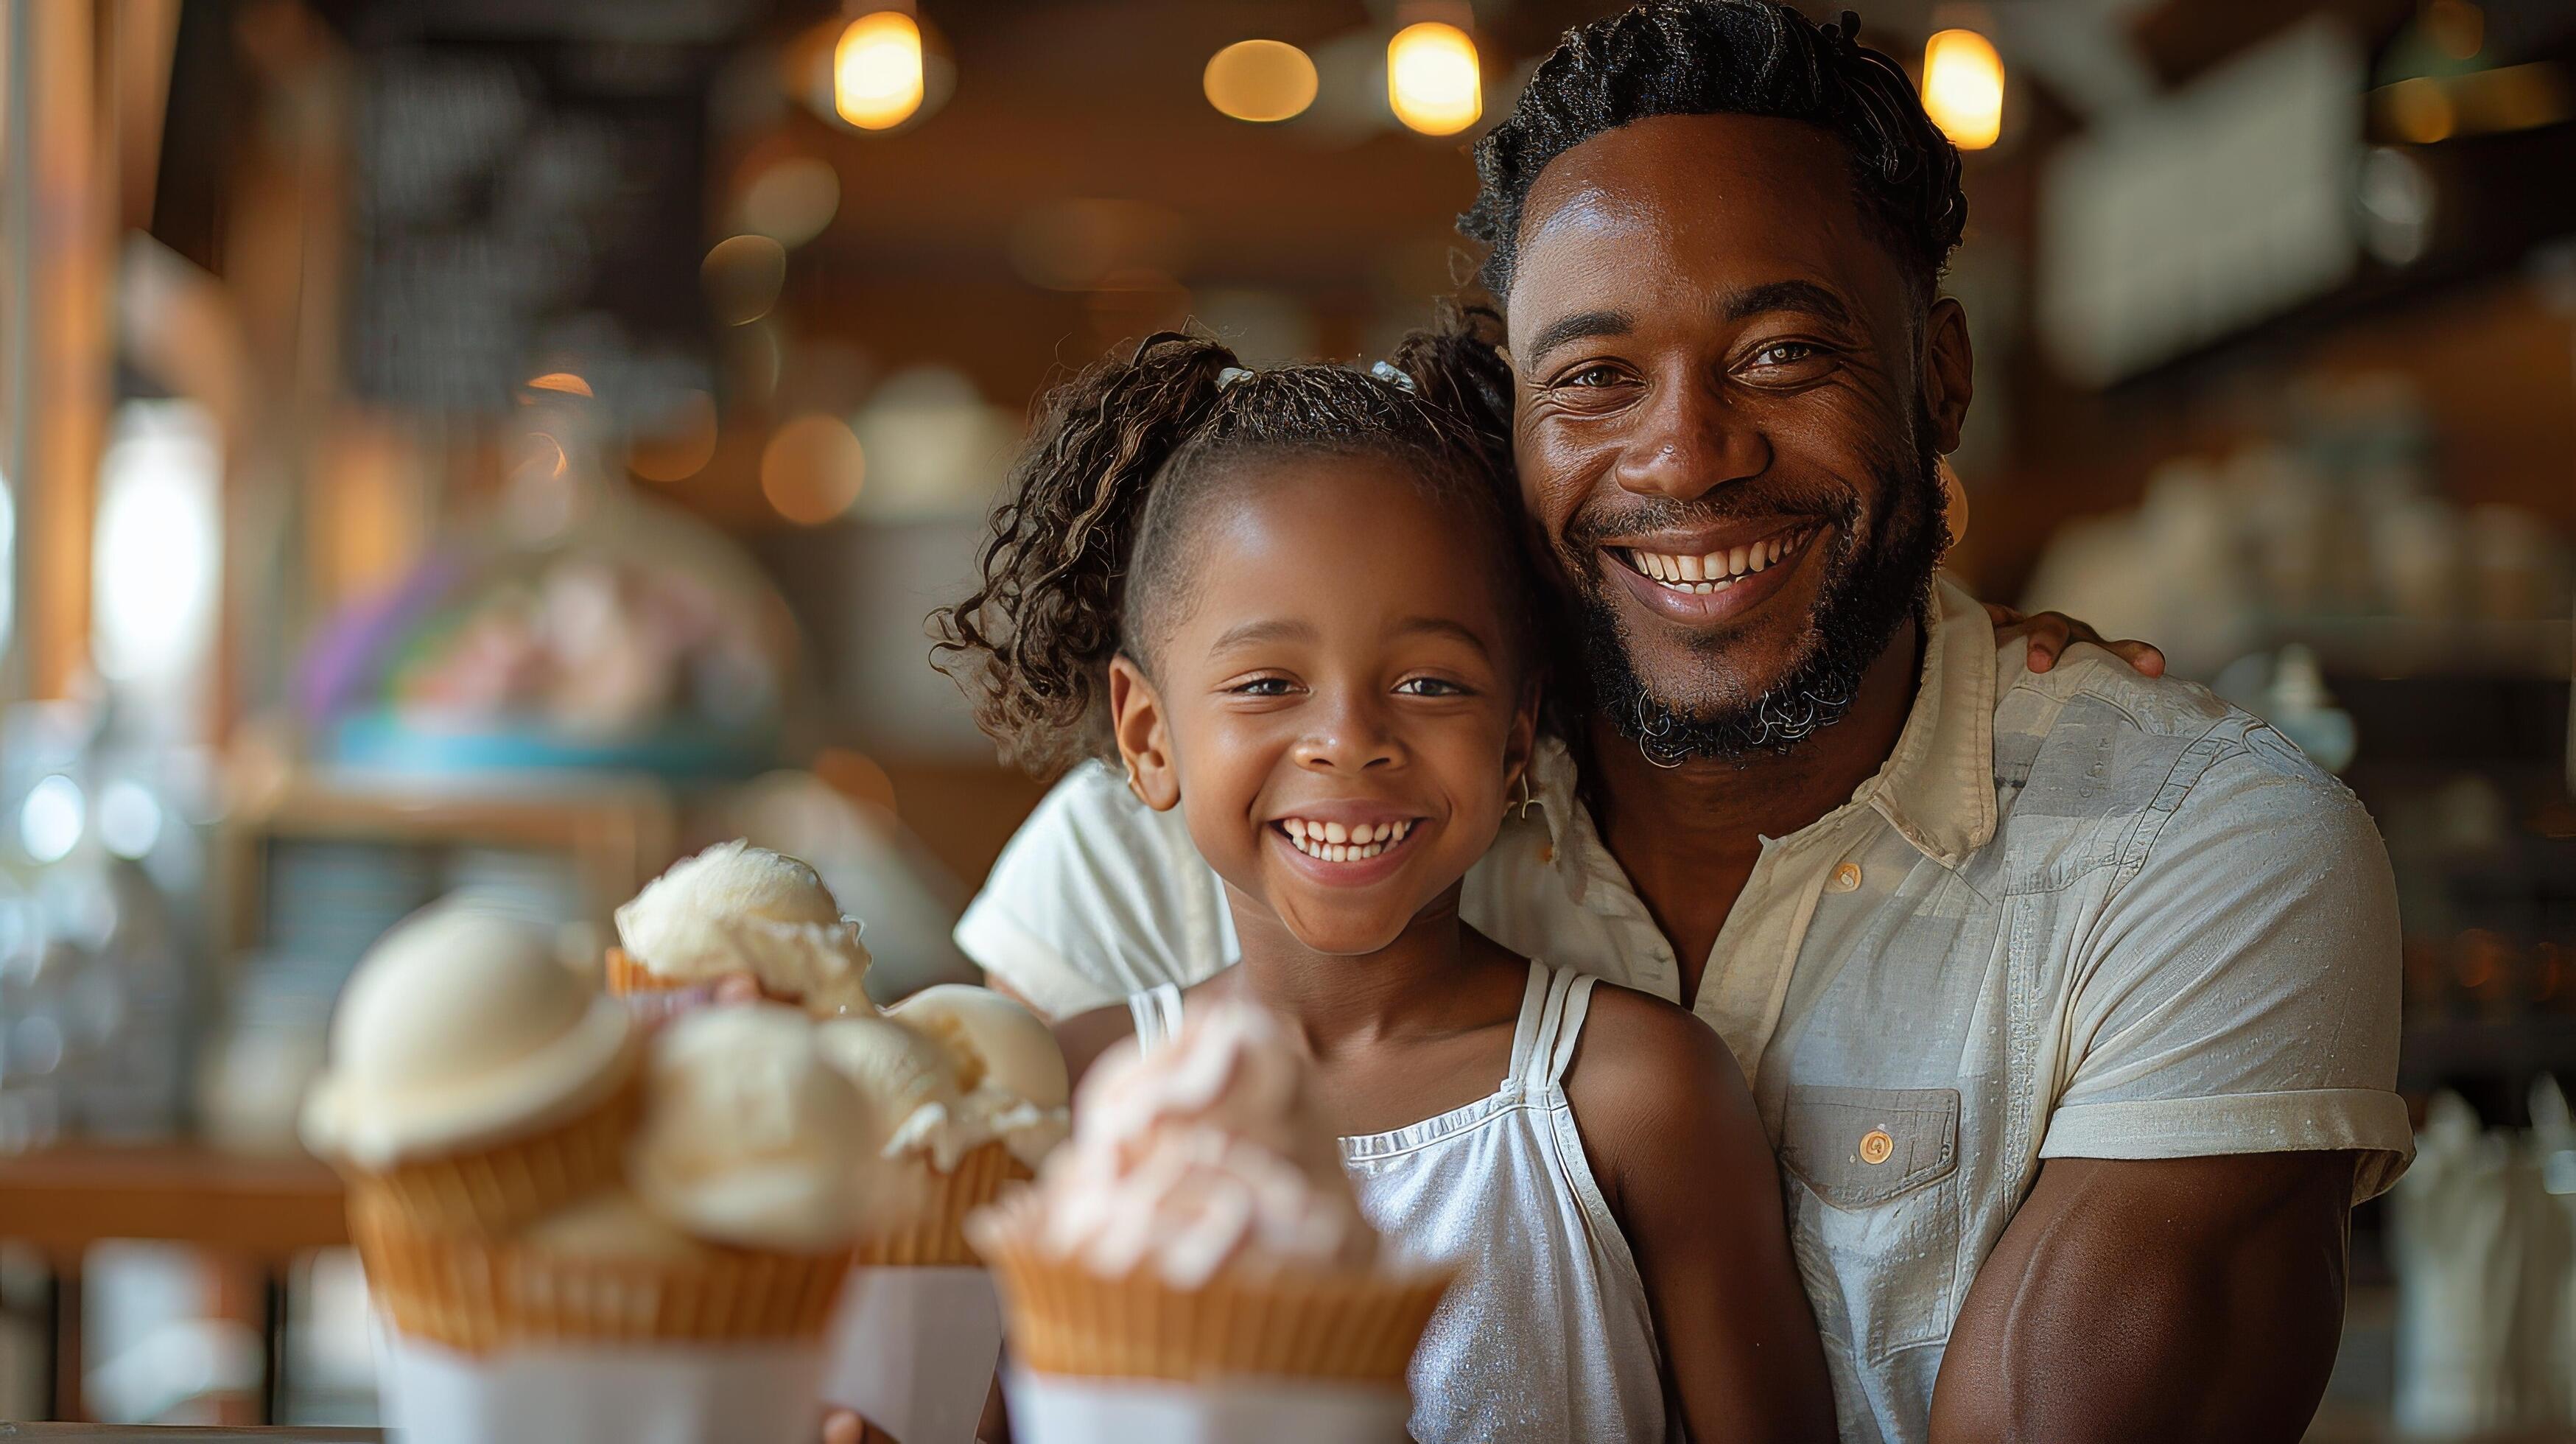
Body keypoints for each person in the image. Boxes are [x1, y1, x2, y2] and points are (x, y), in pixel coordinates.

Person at [948, 4, 2412, 1441]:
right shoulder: (1292, 798)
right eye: (1591, 379)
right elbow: (903, 1187)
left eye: (1781, 352)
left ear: (1941, 376)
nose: (1687, 456)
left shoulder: (2190, 853)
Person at [935, 326, 1836, 1442]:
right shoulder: (1075, 1103)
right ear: (1148, 736)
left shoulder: (1630, 1096)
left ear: (1516, 739)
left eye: (1427, 681)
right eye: (1267, 683)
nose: (1348, 740)